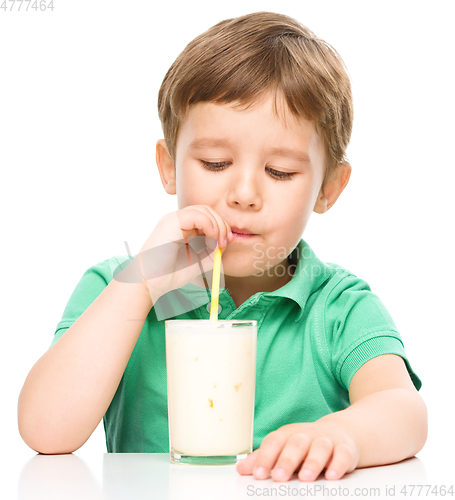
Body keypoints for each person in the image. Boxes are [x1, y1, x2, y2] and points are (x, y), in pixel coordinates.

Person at [18, 11, 427, 482]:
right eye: (215, 163)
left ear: (328, 189)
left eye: (280, 173)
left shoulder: (338, 307)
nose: (244, 194)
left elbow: (405, 410)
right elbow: (45, 431)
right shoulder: (118, 288)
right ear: (169, 165)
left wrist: (345, 434)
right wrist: (142, 283)